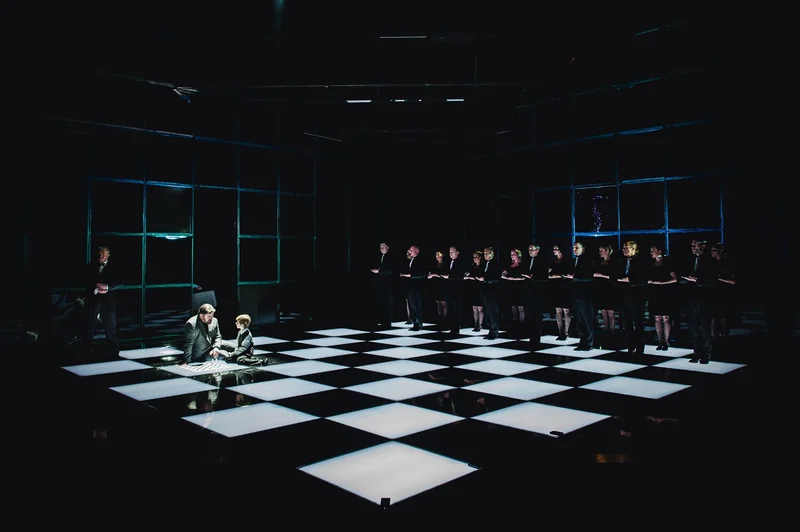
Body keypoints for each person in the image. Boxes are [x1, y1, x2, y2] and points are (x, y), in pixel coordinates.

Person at [84, 245, 121, 356]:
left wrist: (107, 287)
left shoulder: (114, 268)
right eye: (99, 253)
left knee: (110, 326)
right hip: (92, 300)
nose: (101, 256)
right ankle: (86, 350)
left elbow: (121, 282)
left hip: (108, 301)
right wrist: (94, 287)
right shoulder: (90, 266)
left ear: (108, 255)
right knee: (88, 326)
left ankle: (114, 351)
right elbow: (84, 280)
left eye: (103, 254)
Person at [370, 242, 394, 328]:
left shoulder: (390, 257)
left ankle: (387, 321)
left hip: (388, 283)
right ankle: (382, 319)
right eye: (380, 247)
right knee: (381, 301)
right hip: (381, 283)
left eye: (383, 247)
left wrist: (379, 271)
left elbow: (390, 270)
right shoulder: (381, 256)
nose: (381, 249)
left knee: (387, 303)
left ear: (387, 248)